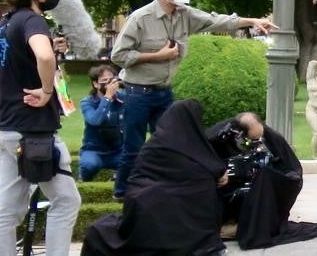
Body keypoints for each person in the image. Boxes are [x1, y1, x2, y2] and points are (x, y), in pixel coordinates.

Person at [109, 0, 277, 199]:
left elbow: (217, 20)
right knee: (133, 147)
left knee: (172, 145)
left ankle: (162, 191)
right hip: (138, 92)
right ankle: (122, 194)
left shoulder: (184, 14)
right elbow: (118, 55)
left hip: (164, 92)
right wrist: (156, 56)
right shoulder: (140, 18)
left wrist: (252, 21)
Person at [0, 0, 81, 256]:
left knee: (8, 205)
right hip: (33, 130)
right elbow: (42, 56)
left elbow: (27, 60)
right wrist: (44, 90)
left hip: (8, 124)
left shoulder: (6, 23)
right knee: (66, 200)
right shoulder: (32, 20)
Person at [82, 99, 229, 256]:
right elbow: (214, 171)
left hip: (145, 213)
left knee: (100, 230)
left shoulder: (154, 145)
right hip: (191, 231)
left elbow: (136, 177)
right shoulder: (199, 152)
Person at [207, 112, 317, 249]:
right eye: (254, 138)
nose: (259, 139)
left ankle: (250, 222)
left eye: (260, 136)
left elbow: (290, 167)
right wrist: (219, 171)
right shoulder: (218, 135)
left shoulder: (270, 135)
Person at [79, 64, 123, 181]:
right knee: (89, 165)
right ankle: (83, 182)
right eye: (105, 80)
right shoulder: (87, 102)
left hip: (118, 150)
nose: (109, 84)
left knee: (136, 161)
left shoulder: (123, 99)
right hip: (94, 150)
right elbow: (96, 120)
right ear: (95, 84)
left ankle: (116, 179)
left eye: (112, 80)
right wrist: (107, 97)